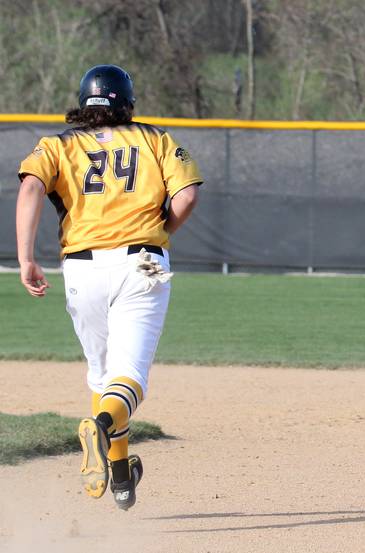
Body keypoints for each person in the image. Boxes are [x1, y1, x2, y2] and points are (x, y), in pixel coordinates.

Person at [15, 64, 202, 509]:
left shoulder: (56, 145)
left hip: (81, 269)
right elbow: (188, 195)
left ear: (84, 104)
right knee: (129, 379)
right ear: (128, 102)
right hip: (144, 263)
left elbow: (29, 191)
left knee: (102, 376)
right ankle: (99, 428)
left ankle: (120, 474)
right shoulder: (155, 138)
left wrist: (25, 259)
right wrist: (162, 234)